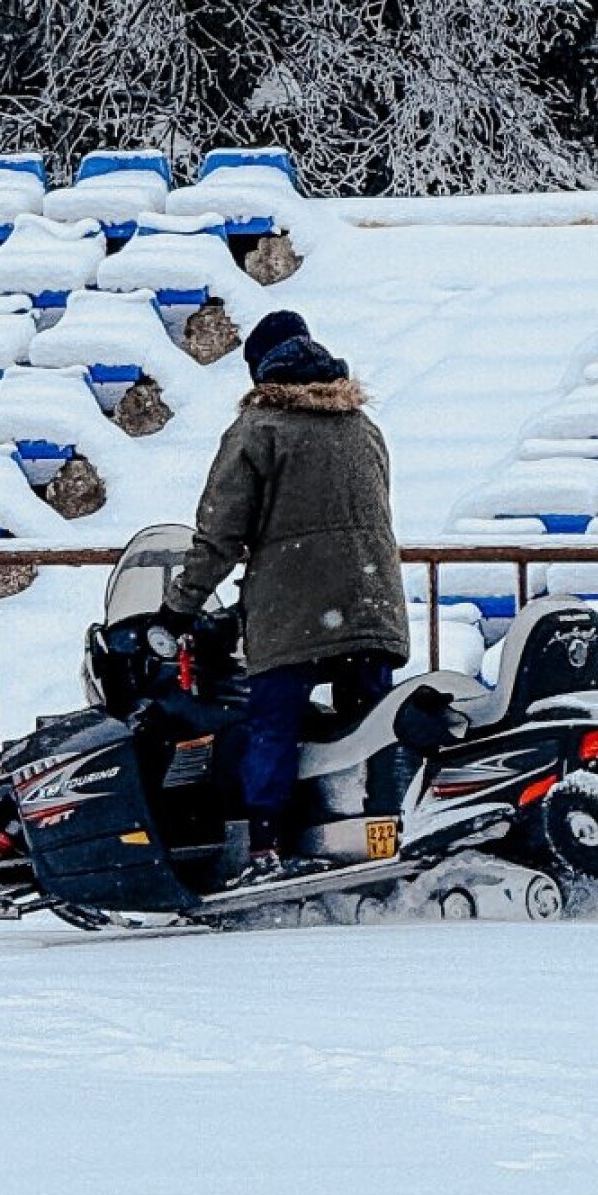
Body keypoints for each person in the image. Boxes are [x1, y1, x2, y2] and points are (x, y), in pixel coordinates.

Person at [160, 311, 407, 886]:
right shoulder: (361, 423)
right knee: (374, 727)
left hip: (294, 610)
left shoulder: (259, 429)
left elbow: (221, 532)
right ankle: (388, 835)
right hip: (372, 602)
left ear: (260, 371)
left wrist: (180, 607)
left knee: (272, 723)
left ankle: (266, 850)